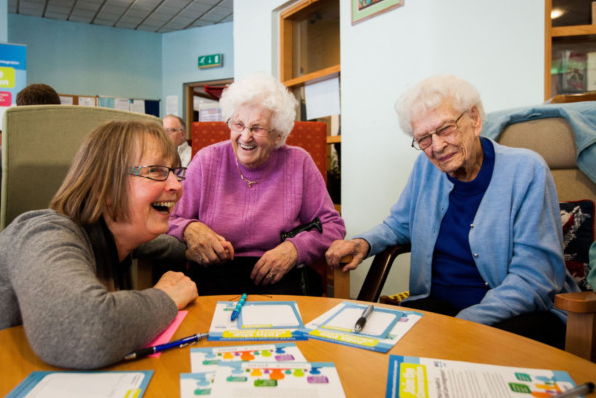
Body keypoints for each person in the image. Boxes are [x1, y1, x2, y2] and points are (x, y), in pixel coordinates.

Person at [325, 74, 579, 349]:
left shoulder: (526, 171)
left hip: (518, 313)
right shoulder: (426, 169)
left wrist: (467, 320)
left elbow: (536, 276)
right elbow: (399, 224)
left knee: (473, 357)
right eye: (423, 138)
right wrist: (364, 242)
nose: (436, 146)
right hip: (439, 306)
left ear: (475, 119)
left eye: (445, 129)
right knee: (375, 349)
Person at [0, 120, 198, 369]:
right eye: (156, 171)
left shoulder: (115, 238)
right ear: (104, 185)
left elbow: (169, 245)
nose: (176, 185)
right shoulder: (47, 232)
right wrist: (166, 297)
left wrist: (196, 236)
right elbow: (80, 332)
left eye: (175, 172)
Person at [169, 72, 345, 296]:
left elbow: (332, 226)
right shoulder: (207, 160)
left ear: (278, 135)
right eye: (238, 124)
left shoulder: (298, 162)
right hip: (212, 277)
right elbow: (167, 220)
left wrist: (294, 249)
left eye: (257, 128)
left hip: (279, 276)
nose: (245, 136)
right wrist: (189, 229)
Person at [0, 83, 62, 242]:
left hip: (17, 242)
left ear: (20, 112)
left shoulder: (7, 152)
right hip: (71, 241)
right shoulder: (85, 149)